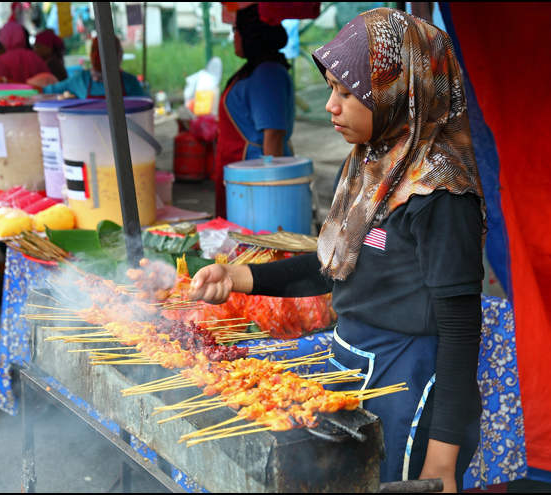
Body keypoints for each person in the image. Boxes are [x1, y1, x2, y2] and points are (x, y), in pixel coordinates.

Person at [188, 8, 486, 493]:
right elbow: (335, 267)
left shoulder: (442, 195)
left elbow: (460, 332)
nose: (331, 105)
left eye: (347, 93)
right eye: (331, 89)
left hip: (412, 383)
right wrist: (237, 278)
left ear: (399, 92)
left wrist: (441, 464)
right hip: (352, 359)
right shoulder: (374, 167)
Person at [214, 3, 295, 219]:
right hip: (242, 171)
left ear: (252, 33)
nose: (234, 37)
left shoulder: (267, 73)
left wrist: (271, 191)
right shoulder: (257, 69)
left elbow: (274, 135)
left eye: (236, 30)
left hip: (255, 178)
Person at [42, 35, 145, 99]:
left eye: (102, 51)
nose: (95, 56)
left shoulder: (130, 82)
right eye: (93, 50)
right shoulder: (81, 80)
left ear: (116, 54)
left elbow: (142, 111)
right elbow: (49, 90)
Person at [0, 20, 49, 84]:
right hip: (37, 94)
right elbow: (48, 80)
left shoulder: (2, 60)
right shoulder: (36, 57)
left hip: (10, 95)